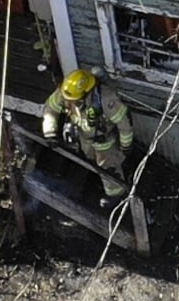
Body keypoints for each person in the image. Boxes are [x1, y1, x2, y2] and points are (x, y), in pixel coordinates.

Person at [42, 68, 134, 209]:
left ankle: (117, 195)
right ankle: (105, 176)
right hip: (84, 137)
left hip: (105, 142)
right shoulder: (68, 93)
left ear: (86, 94)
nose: (70, 103)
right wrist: (50, 133)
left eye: (76, 101)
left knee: (108, 168)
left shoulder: (106, 99)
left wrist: (125, 146)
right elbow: (50, 109)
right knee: (91, 161)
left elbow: (124, 124)